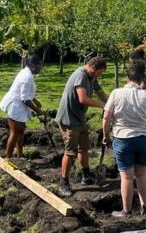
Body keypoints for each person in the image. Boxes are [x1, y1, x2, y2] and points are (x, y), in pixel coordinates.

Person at [102, 60, 146, 218]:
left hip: (123, 139)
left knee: (127, 176)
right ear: (143, 78)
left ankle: (126, 211)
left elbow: (106, 117)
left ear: (127, 77)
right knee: (142, 174)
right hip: (143, 139)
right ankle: (145, 206)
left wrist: (105, 135)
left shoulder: (116, 93)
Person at [55, 57, 108, 197]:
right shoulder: (81, 75)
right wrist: (103, 106)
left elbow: (101, 94)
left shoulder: (91, 77)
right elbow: (83, 99)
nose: (99, 75)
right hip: (69, 119)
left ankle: (86, 175)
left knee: (84, 148)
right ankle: (63, 182)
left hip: (79, 118)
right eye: (99, 73)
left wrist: (114, 102)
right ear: (92, 67)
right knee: (70, 152)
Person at [0, 54, 44, 159]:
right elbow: (24, 98)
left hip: (19, 105)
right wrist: (37, 110)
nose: (41, 68)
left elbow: (26, 92)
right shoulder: (26, 77)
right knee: (14, 133)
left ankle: (20, 155)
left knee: (21, 130)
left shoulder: (27, 73)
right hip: (15, 106)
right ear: (33, 66)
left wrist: (36, 101)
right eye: (40, 66)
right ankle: (8, 159)